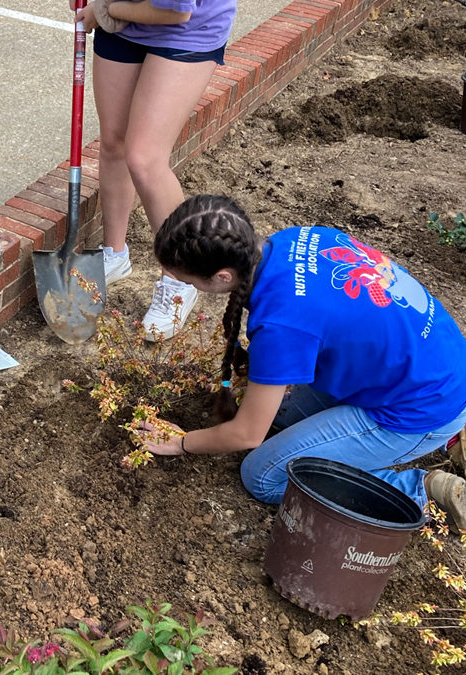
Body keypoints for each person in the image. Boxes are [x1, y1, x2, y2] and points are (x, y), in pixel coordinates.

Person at [142, 195, 466, 527]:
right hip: (437, 357)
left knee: (263, 476)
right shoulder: (295, 238)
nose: (185, 287)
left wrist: (183, 443)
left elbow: (246, 435)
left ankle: (419, 490)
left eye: (187, 281)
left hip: (423, 406)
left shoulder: (281, 325)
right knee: (281, 411)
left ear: (223, 277)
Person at [72, 0, 237, 339]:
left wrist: (104, 11)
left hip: (184, 31)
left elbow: (176, 12)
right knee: (114, 144)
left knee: (144, 157)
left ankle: (181, 278)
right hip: (123, 21)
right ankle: (114, 254)